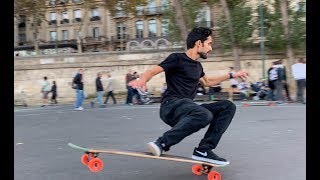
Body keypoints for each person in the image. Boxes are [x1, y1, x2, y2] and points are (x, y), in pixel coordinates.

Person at [129, 27, 248, 165]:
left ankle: (204, 150)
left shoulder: (198, 66)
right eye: (209, 44)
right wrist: (142, 80)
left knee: (228, 106)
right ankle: (161, 143)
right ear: (199, 43)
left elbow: (209, 82)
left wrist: (232, 75)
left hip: (187, 110)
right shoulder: (177, 58)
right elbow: (153, 70)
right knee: (204, 114)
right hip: (171, 107)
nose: (210, 48)